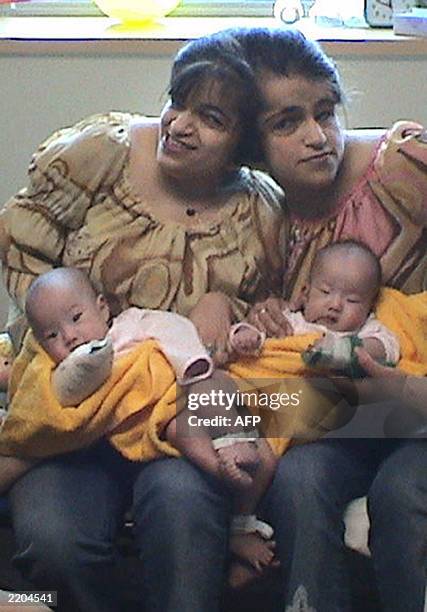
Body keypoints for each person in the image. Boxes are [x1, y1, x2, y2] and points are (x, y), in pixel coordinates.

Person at [0, 31, 286, 612]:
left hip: (173, 414)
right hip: (72, 405)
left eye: (210, 118)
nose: (180, 125)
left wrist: (229, 309)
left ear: (242, 146)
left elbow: (268, 311)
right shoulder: (102, 152)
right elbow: (21, 244)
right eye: (177, 102)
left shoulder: (260, 210)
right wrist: (66, 344)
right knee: (55, 542)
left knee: (186, 524)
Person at [230, 26, 427, 612]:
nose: (318, 137)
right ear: (248, 142)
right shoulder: (250, 216)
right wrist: (261, 317)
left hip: (411, 402)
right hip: (334, 414)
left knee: (399, 492)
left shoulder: (405, 170)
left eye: (326, 112)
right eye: (286, 123)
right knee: (298, 478)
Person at [233, 239, 400, 375]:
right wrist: (245, 335)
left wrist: (342, 349)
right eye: (326, 292)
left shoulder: (363, 330)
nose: (335, 305)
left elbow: (387, 346)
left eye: (352, 300)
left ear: (369, 307)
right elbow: (259, 333)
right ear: (305, 294)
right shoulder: (289, 321)